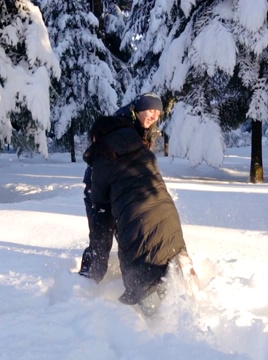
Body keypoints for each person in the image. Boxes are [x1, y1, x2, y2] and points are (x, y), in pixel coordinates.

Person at [83, 115, 195, 310]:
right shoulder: (144, 150)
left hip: (139, 231)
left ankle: (155, 328)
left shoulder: (103, 160)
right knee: (174, 265)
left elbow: (101, 218)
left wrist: (94, 270)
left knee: (144, 301)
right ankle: (192, 297)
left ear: (97, 137)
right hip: (169, 220)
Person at [78, 93, 163, 283]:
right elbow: (103, 162)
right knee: (101, 239)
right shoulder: (119, 126)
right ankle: (86, 283)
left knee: (130, 237)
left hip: (125, 193)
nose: (154, 116)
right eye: (151, 110)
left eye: (158, 113)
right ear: (139, 109)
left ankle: (133, 282)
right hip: (100, 188)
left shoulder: (145, 130)